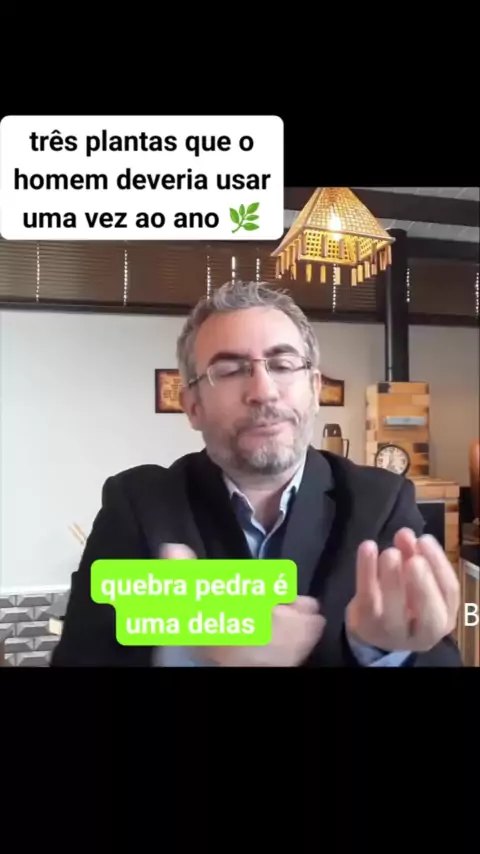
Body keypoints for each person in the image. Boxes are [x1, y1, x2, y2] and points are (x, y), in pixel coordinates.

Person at [51, 280, 462, 667]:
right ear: (192, 406)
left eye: (282, 364)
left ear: (314, 389)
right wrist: (194, 648)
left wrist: (381, 650)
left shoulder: (382, 501)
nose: (264, 391)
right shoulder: (138, 505)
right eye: (230, 370)